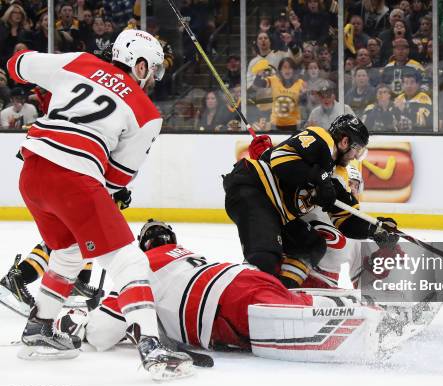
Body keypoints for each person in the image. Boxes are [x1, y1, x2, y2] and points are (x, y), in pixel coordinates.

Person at [6, 29, 193, 380]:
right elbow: (117, 179)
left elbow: (18, 64)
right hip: (74, 176)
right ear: (139, 66)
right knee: (129, 258)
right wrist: (107, 193)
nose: (151, 78)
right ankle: (152, 347)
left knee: (70, 252)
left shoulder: (80, 62)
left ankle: (39, 329)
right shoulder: (147, 112)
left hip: (32, 173)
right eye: (151, 69)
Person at [78, 219, 422, 362]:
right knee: (294, 298)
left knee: (295, 316)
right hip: (241, 276)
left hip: (223, 306)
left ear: (142, 246)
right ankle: (377, 305)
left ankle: (373, 322)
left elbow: (103, 332)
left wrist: (78, 323)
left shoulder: (138, 268)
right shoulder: (188, 255)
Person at [223, 113, 397, 288]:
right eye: (356, 150)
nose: (355, 157)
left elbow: (346, 220)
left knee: (311, 245)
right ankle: (242, 294)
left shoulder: (339, 175)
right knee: (265, 256)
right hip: (254, 189)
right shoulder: (322, 138)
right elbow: (279, 160)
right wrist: (319, 179)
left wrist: (375, 229)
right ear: (344, 142)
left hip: (278, 213)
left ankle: (283, 291)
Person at [253, 57, 306, 131]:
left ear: (294, 70)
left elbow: (304, 104)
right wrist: (259, 74)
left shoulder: (300, 83)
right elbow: (258, 84)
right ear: (280, 70)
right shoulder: (273, 79)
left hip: (294, 125)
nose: (287, 70)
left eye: (290, 68)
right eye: (284, 67)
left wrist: (303, 95)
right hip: (275, 124)